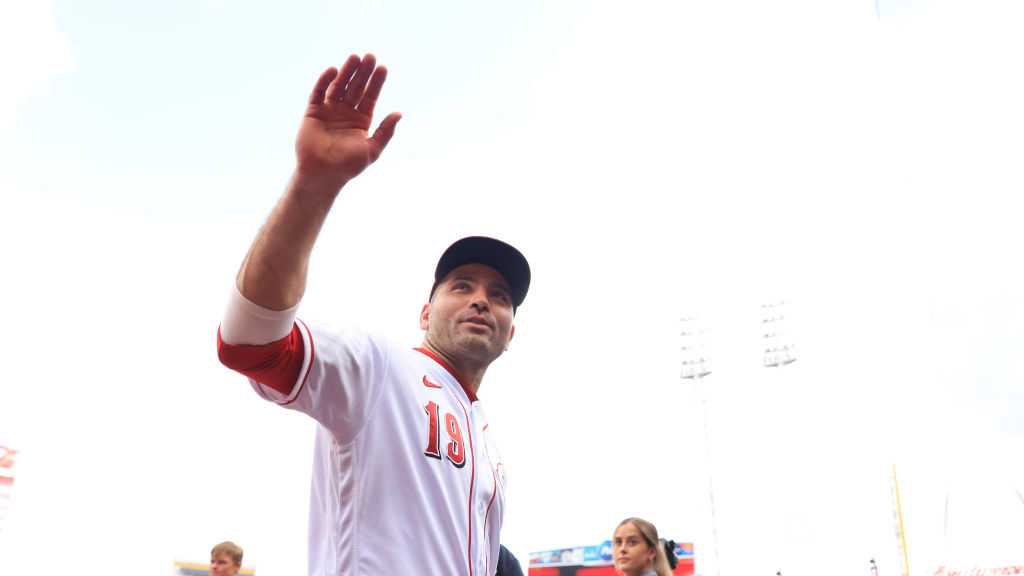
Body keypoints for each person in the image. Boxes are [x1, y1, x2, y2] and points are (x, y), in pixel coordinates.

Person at [216, 53, 530, 576]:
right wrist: (313, 186)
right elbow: (251, 344)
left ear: (511, 331)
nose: (481, 299)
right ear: (426, 311)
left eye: (499, 294)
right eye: (461, 286)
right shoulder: (381, 367)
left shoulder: (488, 442)